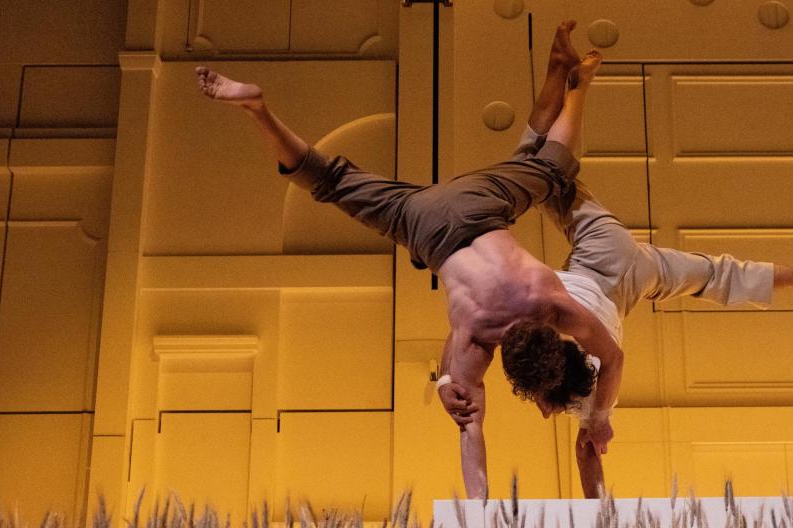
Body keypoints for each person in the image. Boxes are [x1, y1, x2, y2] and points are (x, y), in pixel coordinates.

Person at [196, 22, 617, 500]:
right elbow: (471, 432)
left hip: (476, 201)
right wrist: (447, 394)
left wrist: (600, 417)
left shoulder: (551, 301)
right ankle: (259, 111)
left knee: (549, 167)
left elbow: (614, 358)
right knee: (327, 179)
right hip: (425, 225)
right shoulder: (473, 336)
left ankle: (572, 79)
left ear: (551, 336)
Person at [467, 40, 793, 499]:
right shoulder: (551, 324)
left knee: (721, 276)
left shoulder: (591, 386)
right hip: (604, 255)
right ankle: (574, 83)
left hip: (635, 277)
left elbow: (589, 452)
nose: (543, 412)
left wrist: (599, 441)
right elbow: (587, 425)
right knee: (540, 172)